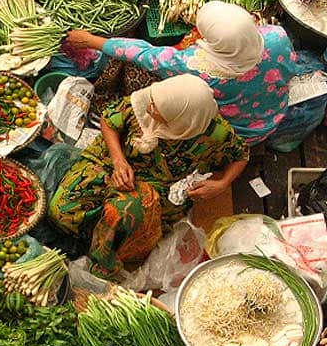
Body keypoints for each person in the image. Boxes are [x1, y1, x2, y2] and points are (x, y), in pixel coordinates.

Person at [48, 73, 249, 279]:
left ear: (181, 121)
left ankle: (103, 255)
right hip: (110, 163)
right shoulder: (146, 101)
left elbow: (241, 155)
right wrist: (118, 161)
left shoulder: (214, 133)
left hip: (154, 186)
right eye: (153, 103)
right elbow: (109, 121)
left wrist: (222, 183)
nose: (150, 108)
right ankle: (93, 233)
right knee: (61, 213)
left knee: (122, 218)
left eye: (158, 109)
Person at [66, 1, 299, 145]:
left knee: (133, 68)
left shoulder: (197, 67)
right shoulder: (276, 37)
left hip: (231, 134)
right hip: (270, 120)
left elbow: (143, 54)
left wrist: (90, 40)